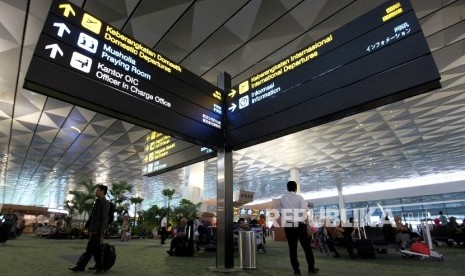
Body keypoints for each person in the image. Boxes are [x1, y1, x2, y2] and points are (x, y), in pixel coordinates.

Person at [278, 181, 318, 275]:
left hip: (289, 225)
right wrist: (308, 226)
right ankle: (311, 268)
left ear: (287, 188)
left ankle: (296, 271)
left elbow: (279, 213)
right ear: (296, 188)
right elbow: (304, 213)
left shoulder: (282, 199)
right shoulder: (300, 198)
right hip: (300, 225)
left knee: (292, 249)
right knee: (307, 248)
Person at [69, 184, 110, 273]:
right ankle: (94, 266)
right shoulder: (98, 202)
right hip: (93, 229)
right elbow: (92, 216)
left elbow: (105, 217)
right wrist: (86, 226)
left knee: (93, 250)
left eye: (98, 190)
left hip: (98, 230)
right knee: (93, 250)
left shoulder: (105, 203)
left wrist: (103, 229)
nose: (96, 191)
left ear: (102, 192)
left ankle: (84, 266)